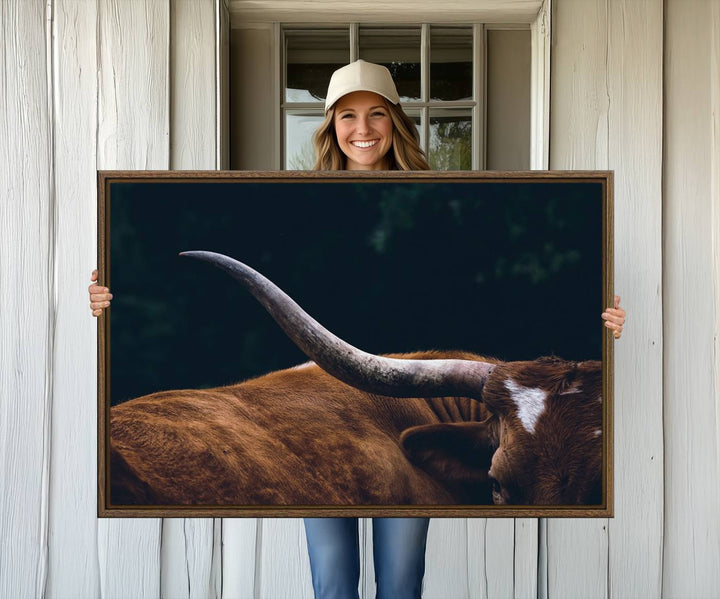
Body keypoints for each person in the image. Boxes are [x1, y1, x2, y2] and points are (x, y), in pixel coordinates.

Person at [88, 60, 627, 599]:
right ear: (330, 126)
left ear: (396, 121)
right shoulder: (292, 199)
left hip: (405, 399)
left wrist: (613, 324)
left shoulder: (449, 196)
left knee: (399, 582)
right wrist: (98, 298)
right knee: (333, 583)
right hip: (324, 404)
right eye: (347, 116)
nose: (363, 130)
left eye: (376, 115)